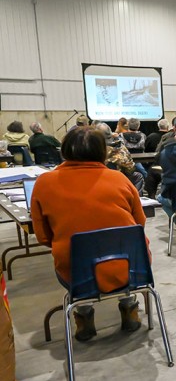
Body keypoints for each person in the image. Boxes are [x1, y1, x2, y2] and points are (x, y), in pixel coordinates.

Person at [31, 127, 147, 341]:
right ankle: (129, 306)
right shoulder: (120, 179)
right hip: (133, 268)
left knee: (74, 260)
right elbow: (139, 224)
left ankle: (83, 315)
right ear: (102, 151)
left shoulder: (44, 183)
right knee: (125, 250)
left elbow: (44, 238)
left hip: (76, 272)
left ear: (64, 151)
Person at [97, 123, 144, 192]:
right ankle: (136, 200)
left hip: (99, 180)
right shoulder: (121, 147)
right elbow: (131, 168)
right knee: (138, 175)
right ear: (111, 134)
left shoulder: (95, 148)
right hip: (120, 180)